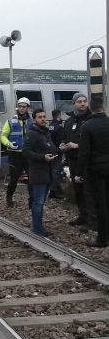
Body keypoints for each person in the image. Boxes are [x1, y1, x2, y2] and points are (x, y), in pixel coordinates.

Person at [76, 96, 109, 247]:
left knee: (101, 204)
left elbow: (84, 153)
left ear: (91, 108)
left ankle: (103, 238)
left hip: (96, 169)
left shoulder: (87, 126)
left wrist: (79, 173)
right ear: (103, 106)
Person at [62, 93, 96, 230]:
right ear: (74, 104)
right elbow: (64, 137)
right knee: (78, 189)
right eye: (79, 101)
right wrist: (63, 145)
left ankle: (92, 220)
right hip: (72, 159)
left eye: (84, 101)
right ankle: (82, 215)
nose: (82, 104)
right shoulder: (69, 121)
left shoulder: (91, 120)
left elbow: (96, 143)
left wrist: (77, 145)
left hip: (87, 161)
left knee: (88, 190)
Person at [22, 109, 58, 237]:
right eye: (40, 117)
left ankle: (39, 227)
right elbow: (25, 151)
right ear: (34, 119)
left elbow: (50, 147)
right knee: (38, 201)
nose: (43, 119)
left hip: (48, 171)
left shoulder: (45, 132)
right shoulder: (32, 134)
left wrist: (59, 149)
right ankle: (37, 229)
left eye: (44, 116)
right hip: (38, 172)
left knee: (41, 201)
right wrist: (42, 157)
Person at [1, 97, 33, 207]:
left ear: (27, 108)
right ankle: (9, 198)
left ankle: (32, 201)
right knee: (14, 178)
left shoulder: (32, 122)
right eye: (20, 106)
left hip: (28, 154)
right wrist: (9, 144)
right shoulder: (10, 121)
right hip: (15, 155)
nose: (22, 108)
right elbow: (3, 136)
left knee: (31, 178)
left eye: (24, 106)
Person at [48, 110, 65, 199]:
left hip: (50, 151)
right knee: (57, 171)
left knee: (52, 170)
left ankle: (55, 188)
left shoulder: (50, 126)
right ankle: (53, 191)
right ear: (59, 116)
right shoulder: (59, 127)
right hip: (57, 152)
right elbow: (60, 141)